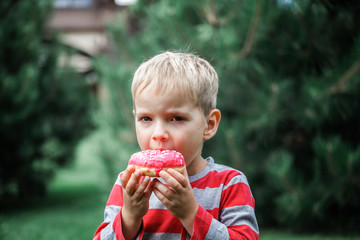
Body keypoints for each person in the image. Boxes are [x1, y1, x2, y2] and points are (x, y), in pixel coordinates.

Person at [93, 51, 259, 240]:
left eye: (176, 118)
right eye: (146, 118)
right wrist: (129, 217)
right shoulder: (129, 183)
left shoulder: (229, 184)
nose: (158, 134)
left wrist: (191, 214)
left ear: (209, 124)